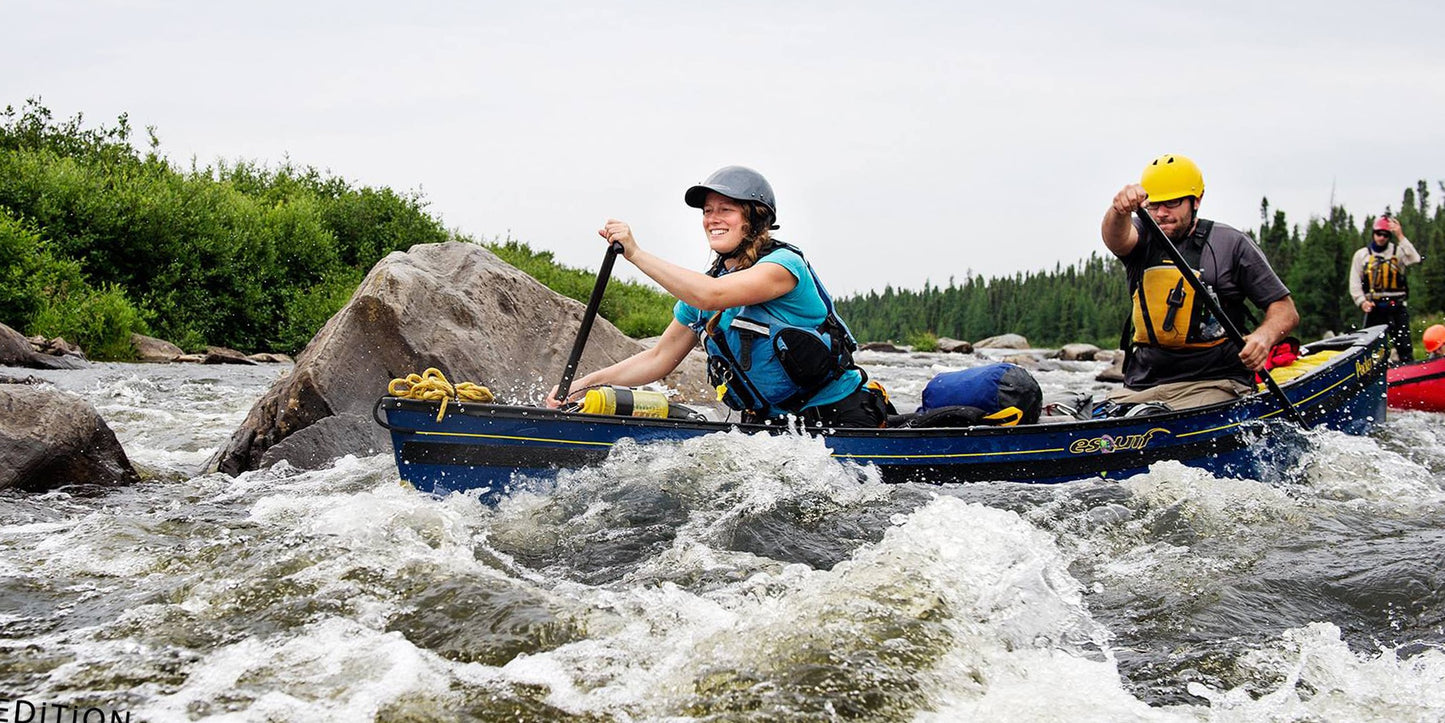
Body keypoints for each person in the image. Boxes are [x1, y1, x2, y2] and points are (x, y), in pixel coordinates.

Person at [546, 165, 889, 427]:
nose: (713, 219)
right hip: (768, 428)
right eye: (708, 211)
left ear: (754, 219)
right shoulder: (704, 291)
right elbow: (657, 359)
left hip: (840, 416)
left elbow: (712, 295)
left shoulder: (783, 267)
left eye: (726, 210)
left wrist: (635, 253)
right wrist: (584, 385)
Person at [1099, 153, 1300, 409]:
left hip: (1216, 382)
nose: (1161, 213)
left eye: (1171, 203)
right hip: (1143, 384)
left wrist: (1264, 337)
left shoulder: (1232, 244)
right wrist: (1118, 210)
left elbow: (1285, 310)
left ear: (1196, 200)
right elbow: (1115, 238)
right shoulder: (1142, 235)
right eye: (1154, 204)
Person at [1348, 215, 1421, 363]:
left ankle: (1408, 369)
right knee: (1370, 346)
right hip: (1374, 307)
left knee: (1404, 345)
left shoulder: (1398, 252)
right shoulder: (1362, 255)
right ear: (1373, 233)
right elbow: (1354, 282)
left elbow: (1415, 258)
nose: (1381, 238)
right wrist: (1362, 302)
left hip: (1396, 306)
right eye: (1378, 234)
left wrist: (1400, 235)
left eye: (1385, 235)